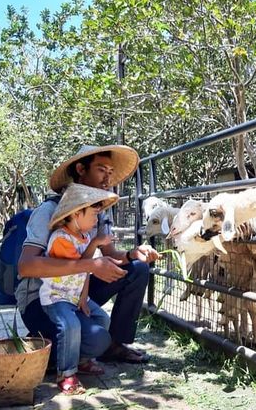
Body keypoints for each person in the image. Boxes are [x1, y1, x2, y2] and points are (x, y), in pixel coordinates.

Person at [16, 145, 160, 365]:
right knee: (95, 340)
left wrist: (133, 254)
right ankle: (45, 348)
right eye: (101, 170)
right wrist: (89, 266)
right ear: (81, 169)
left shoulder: (99, 212)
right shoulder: (49, 211)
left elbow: (111, 255)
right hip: (42, 299)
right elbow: (25, 266)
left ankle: (115, 345)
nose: (107, 178)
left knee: (137, 269)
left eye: (110, 173)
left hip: (76, 290)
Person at [39, 184, 118, 394]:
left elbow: (85, 274)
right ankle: (66, 374)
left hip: (74, 296)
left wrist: (84, 298)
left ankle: (82, 360)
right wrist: (95, 244)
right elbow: (81, 266)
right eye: (93, 215)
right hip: (57, 297)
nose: (95, 220)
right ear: (76, 214)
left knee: (102, 319)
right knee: (70, 325)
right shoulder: (61, 239)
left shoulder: (83, 237)